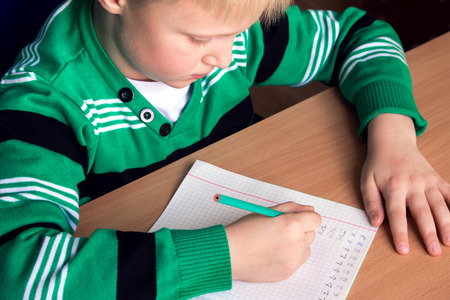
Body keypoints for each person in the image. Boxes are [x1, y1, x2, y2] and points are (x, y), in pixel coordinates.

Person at [0, 0, 448, 299]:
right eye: (198, 39)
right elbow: (18, 272)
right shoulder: (44, 103)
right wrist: (226, 256)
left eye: (243, 30)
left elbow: (360, 36)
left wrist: (395, 140)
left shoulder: (225, 25)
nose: (226, 55)